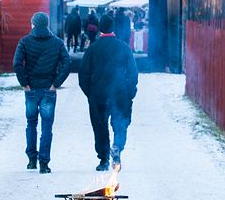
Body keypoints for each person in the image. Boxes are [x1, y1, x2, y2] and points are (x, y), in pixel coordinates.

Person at [13, 12, 71, 174]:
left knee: (31, 124)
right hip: (48, 90)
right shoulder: (57, 43)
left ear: (33, 24)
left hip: (31, 89)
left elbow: (17, 63)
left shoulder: (24, 42)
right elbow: (67, 63)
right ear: (46, 25)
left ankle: (32, 160)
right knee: (47, 127)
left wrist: (24, 83)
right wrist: (56, 84)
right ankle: (44, 163)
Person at [79, 15, 138, 172]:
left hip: (98, 96)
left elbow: (83, 75)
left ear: (99, 29)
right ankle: (117, 148)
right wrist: (130, 93)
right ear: (114, 29)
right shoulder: (124, 48)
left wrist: (90, 94)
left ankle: (104, 158)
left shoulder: (93, 48)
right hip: (120, 95)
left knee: (100, 127)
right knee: (120, 124)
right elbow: (133, 73)